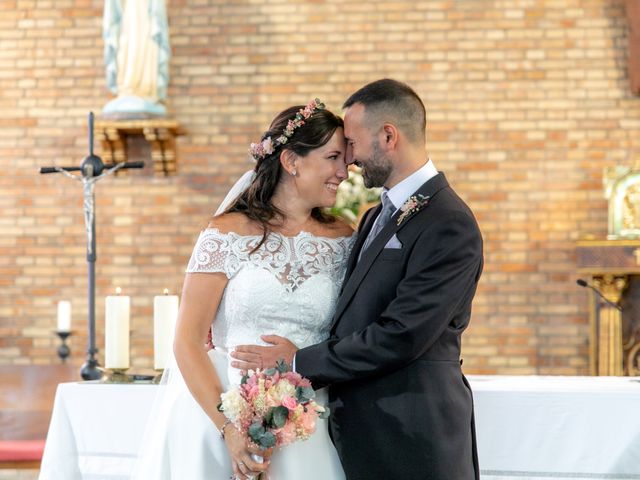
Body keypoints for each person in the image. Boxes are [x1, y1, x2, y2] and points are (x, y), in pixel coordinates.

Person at [231, 79, 484, 479]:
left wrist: (296, 361)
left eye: (352, 142)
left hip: (412, 436)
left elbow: (401, 334)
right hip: (354, 433)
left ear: (388, 136)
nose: (348, 158)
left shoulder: (449, 222)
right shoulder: (371, 218)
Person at [131, 99, 353, 480]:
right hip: (218, 412)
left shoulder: (345, 239)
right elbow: (186, 340)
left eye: (345, 160)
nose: (343, 172)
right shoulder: (225, 233)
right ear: (291, 161)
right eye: (333, 157)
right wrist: (229, 429)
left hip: (310, 420)